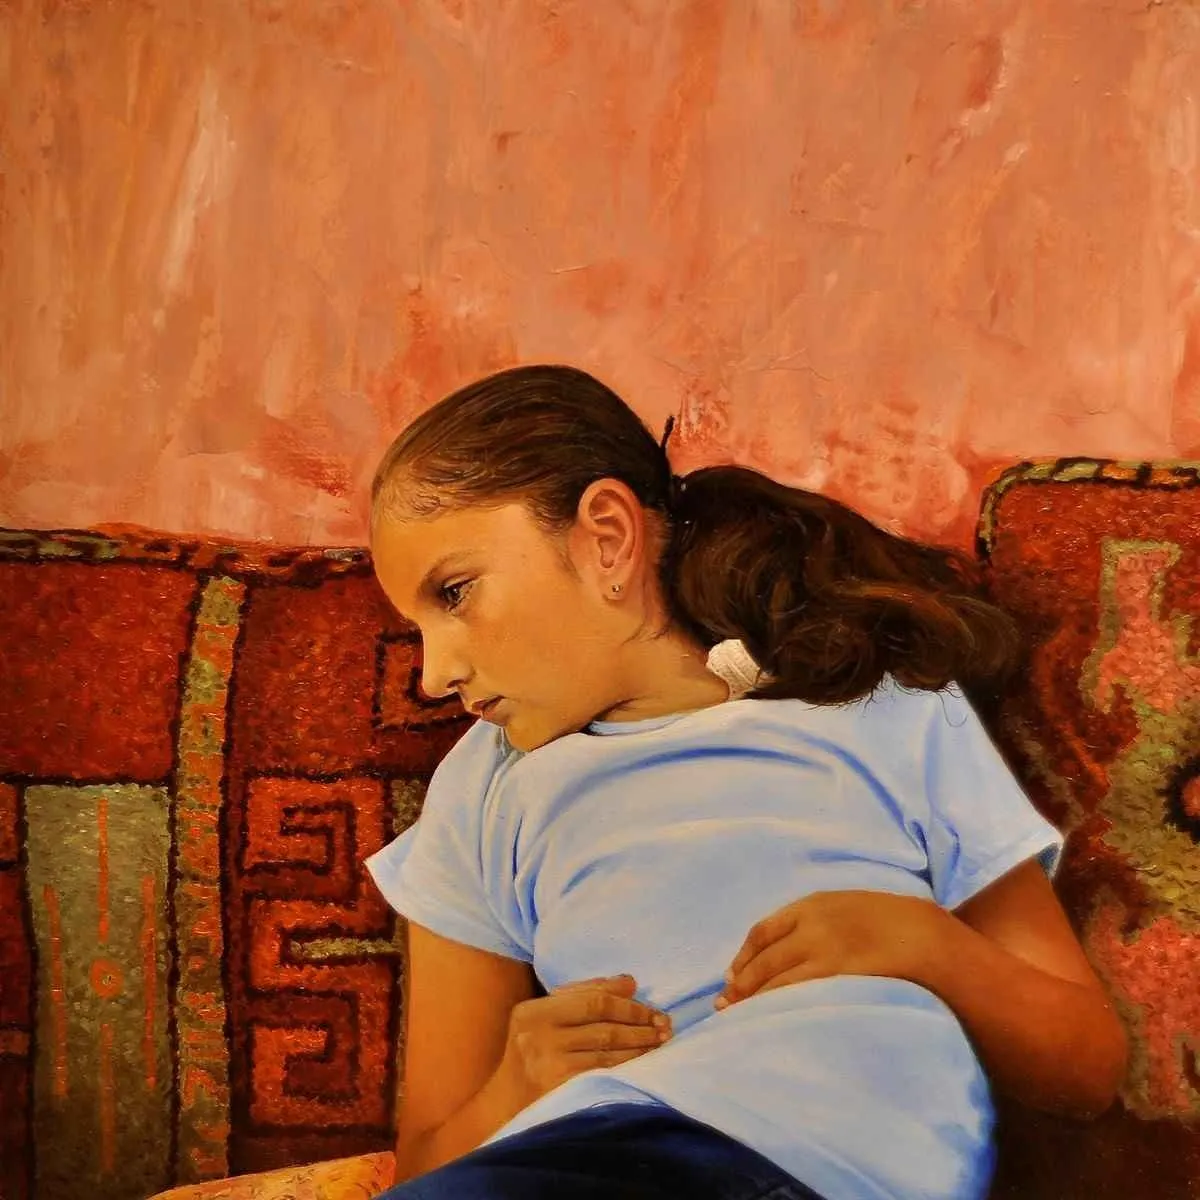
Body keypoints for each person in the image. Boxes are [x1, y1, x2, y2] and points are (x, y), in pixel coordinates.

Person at [363, 364, 1127, 1200]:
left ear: (606, 538)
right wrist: (515, 1084)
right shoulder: (483, 785)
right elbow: (426, 1166)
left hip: (840, 1155)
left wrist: (926, 945)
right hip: (608, 1150)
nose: (434, 673)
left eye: (455, 593)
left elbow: (1086, 1065)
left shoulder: (884, 704)